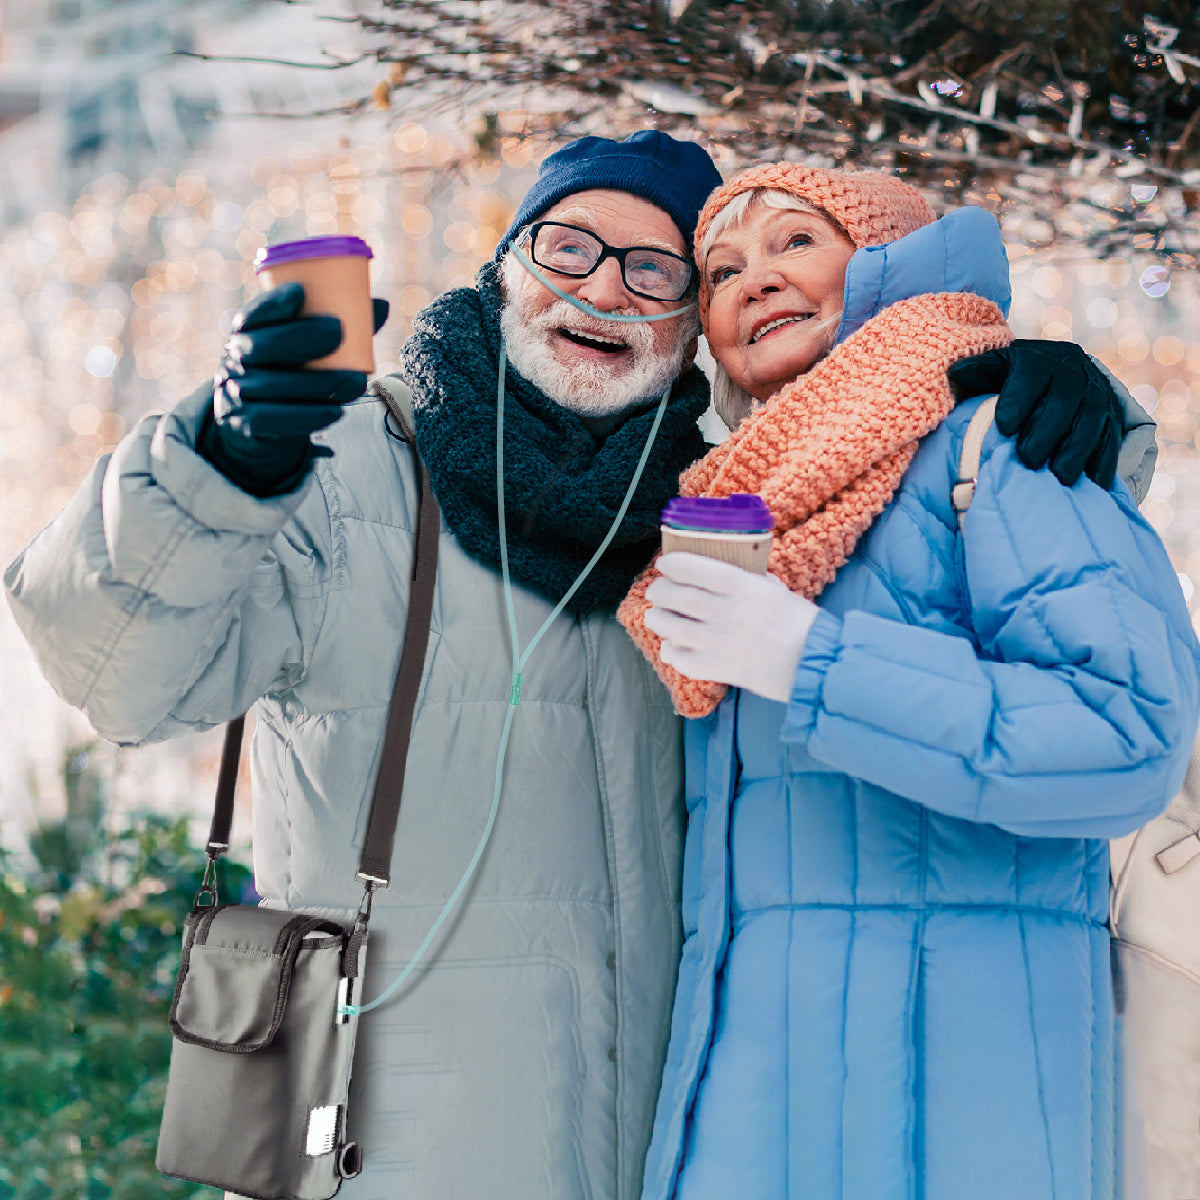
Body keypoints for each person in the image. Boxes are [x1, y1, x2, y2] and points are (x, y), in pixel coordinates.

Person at [2, 133, 1149, 1200]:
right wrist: (218, 461)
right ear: (508, 270)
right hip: (387, 1144)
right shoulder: (349, 468)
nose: (604, 288)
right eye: (569, 248)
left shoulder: (734, 516)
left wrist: (1001, 378)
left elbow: (954, 552)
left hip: (684, 1143)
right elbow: (121, 673)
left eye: (656, 273)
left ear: (690, 331)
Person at [618, 163, 1200, 1200]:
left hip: (964, 1120)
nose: (757, 280)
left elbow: (1127, 736)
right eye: (722, 269)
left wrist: (811, 662)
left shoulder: (1000, 445)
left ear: (889, 260)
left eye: (797, 241)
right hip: (752, 1112)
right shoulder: (733, 503)